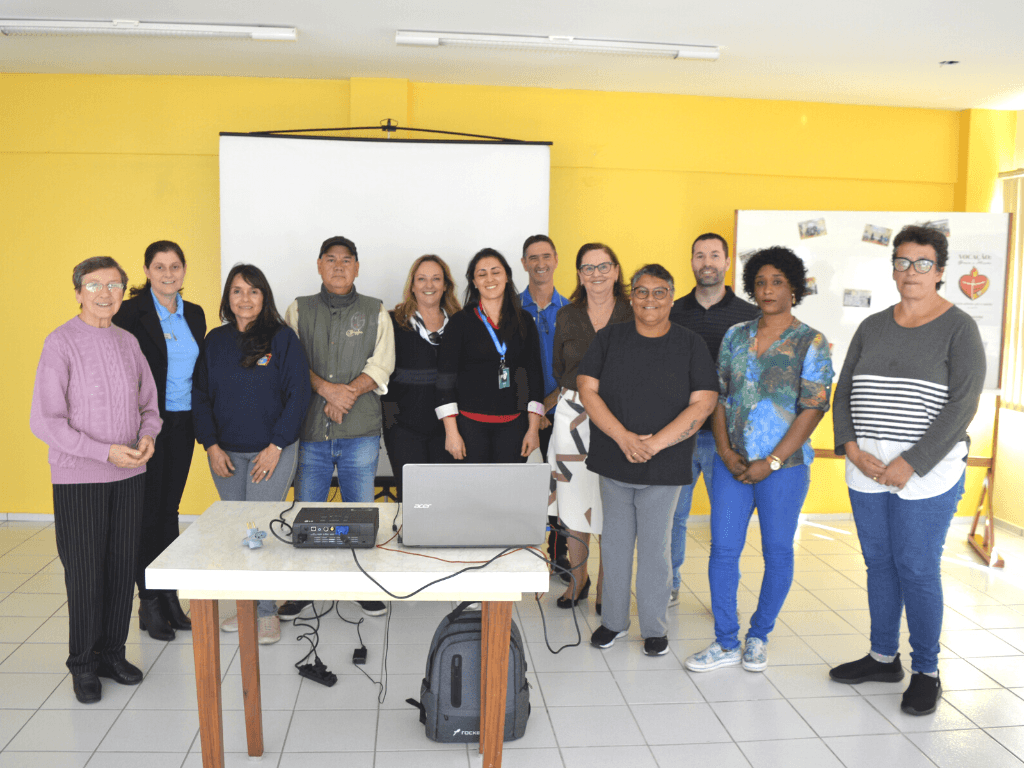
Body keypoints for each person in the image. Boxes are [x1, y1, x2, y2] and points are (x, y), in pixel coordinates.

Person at [828, 225, 985, 716]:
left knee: (916, 567)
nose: (911, 271)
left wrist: (911, 463)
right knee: (878, 563)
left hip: (926, 473)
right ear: (893, 268)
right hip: (867, 467)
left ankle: (926, 671)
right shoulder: (872, 327)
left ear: (939, 272)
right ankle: (882, 657)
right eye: (902, 262)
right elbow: (843, 392)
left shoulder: (960, 329)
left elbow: (962, 406)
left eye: (922, 263)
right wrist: (851, 449)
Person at [686, 246, 833, 674]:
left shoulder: (811, 341)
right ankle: (725, 641)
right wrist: (726, 452)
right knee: (723, 550)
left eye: (778, 282)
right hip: (731, 464)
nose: (768, 290)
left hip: (784, 469)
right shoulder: (735, 336)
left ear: (794, 289)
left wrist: (771, 461)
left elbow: (813, 408)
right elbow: (717, 396)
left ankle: (758, 636)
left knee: (777, 552)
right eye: (761, 283)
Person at [30, 257, 162, 704]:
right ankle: (83, 664)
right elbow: (45, 420)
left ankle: (112, 654)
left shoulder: (128, 342)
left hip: (129, 473)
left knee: (122, 567)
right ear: (78, 292)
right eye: (94, 285)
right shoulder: (60, 343)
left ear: (124, 291)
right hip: (79, 477)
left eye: (114, 285)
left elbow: (148, 404)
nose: (105, 294)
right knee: (86, 573)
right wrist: (103, 452)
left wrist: (148, 436)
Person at [580, 264, 718, 656]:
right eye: (642, 291)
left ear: (671, 297)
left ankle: (654, 627)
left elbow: (704, 402)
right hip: (614, 458)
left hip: (665, 464)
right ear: (631, 297)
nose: (650, 299)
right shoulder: (609, 338)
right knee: (615, 545)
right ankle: (613, 622)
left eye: (660, 292)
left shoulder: (690, 343)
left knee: (656, 549)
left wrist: (655, 444)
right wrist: (623, 437)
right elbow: (587, 390)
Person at [192, 264, 311, 644]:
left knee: (258, 530)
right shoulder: (215, 340)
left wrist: (276, 446)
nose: (245, 298)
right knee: (239, 532)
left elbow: (299, 396)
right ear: (228, 297)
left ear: (264, 297)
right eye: (237, 291)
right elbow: (200, 396)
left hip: (271, 452)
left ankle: (266, 611)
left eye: (253, 291)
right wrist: (210, 445)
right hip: (225, 453)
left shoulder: (283, 338)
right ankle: (246, 607)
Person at [282, 236, 395, 620]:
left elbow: (382, 364)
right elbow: (292, 363)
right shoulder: (299, 309)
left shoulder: (375, 310)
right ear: (319, 265)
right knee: (306, 514)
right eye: (331, 260)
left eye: (347, 260)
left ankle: (363, 588)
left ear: (357, 267)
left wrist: (346, 394)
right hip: (311, 430)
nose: (339, 266)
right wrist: (327, 390)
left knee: (359, 514)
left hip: (360, 430)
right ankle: (303, 590)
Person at [113, 240, 206, 642]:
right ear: (147, 271)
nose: (169, 274)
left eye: (175, 266)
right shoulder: (129, 313)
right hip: (145, 426)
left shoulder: (195, 314)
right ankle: (148, 601)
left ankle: (168, 596)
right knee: (147, 514)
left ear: (184, 270)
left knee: (170, 512)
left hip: (183, 423)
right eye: (160, 267)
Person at [667, 233, 759, 603]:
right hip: (678, 435)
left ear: (727, 262)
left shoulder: (749, 315)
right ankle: (670, 584)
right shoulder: (673, 311)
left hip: (728, 440)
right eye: (700, 255)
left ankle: (724, 595)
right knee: (673, 518)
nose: (707, 262)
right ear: (692, 261)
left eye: (715, 255)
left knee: (726, 522)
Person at [549, 243, 633, 610]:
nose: (596, 274)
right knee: (573, 500)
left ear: (616, 271)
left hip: (621, 414)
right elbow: (558, 367)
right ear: (580, 275)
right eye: (588, 267)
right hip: (572, 415)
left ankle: (605, 583)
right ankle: (578, 578)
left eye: (603, 266)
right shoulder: (567, 315)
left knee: (611, 501)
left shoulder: (633, 311)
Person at [436, 248, 544, 463]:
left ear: (507, 277)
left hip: (514, 426)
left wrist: (533, 429)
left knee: (507, 485)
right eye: (482, 274)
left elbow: (535, 377)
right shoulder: (460, 322)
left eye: (496, 272)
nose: (490, 279)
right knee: (474, 486)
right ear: (474, 282)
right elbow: (444, 381)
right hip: (469, 427)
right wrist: (451, 432)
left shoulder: (524, 321)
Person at [382, 255, 461, 500]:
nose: (429, 285)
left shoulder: (460, 323)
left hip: (449, 429)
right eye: (422, 279)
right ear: (412, 286)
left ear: (446, 285)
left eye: (436, 279)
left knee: (445, 499)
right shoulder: (392, 322)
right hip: (403, 429)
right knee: (414, 501)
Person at [520, 235, 572, 578]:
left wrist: (545, 406)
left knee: (561, 486)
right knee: (519, 485)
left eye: (546, 256)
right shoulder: (509, 308)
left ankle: (558, 553)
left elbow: (578, 366)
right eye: (533, 258)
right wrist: (531, 412)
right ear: (524, 263)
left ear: (555, 260)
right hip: (519, 415)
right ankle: (515, 549)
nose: (540, 263)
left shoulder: (571, 311)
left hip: (560, 411)